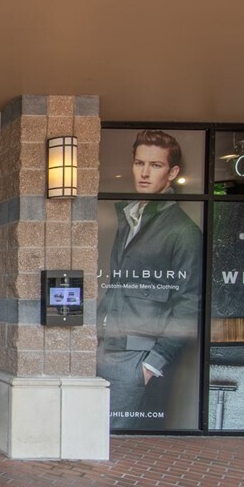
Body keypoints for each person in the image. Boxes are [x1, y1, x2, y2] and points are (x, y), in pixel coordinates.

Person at [97, 130, 203, 429]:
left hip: (136, 356)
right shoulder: (130, 218)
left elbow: (189, 304)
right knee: (92, 436)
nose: (144, 173)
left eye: (155, 166)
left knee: (116, 442)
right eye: (139, 163)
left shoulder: (183, 232)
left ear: (173, 173)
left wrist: (152, 363)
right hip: (106, 347)